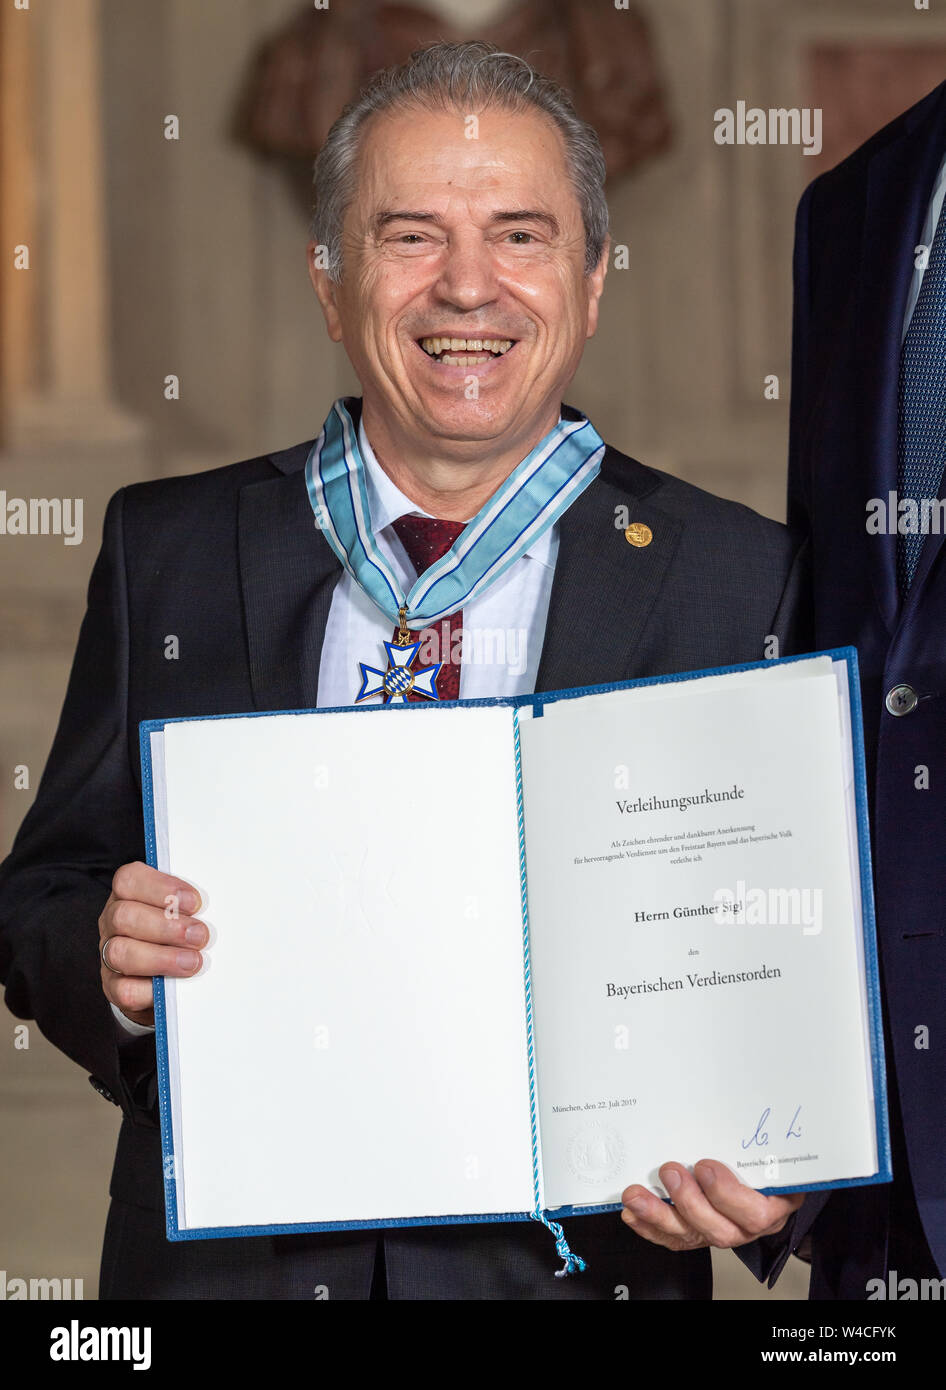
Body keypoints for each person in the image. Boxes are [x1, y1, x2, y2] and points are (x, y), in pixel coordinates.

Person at [0, 40, 808, 1300]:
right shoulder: (170, 547)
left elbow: (791, 947)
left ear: (593, 280)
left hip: (570, 1277)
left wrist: (778, 1169)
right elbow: (40, 889)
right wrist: (103, 962)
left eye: (522, 236)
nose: (467, 288)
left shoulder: (735, 577)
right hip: (223, 1279)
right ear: (331, 280)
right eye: (410, 236)